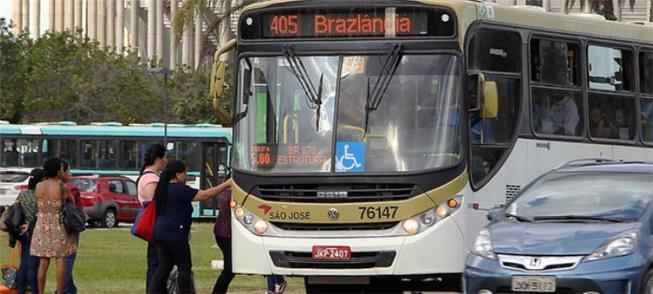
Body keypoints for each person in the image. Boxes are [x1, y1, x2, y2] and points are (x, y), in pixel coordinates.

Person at [148, 160, 231, 294]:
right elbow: (205, 195)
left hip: (159, 232)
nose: (186, 177)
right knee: (184, 267)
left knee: (164, 266)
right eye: (185, 173)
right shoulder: (180, 189)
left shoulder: (162, 189)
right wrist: (226, 184)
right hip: (175, 235)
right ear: (177, 174)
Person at [30, 157, 77, 294]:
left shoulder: (39, 186)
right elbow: (72, 203)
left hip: (42, 225)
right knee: (60, 259)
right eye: (62, 169)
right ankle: (60, 291)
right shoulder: (62, 188)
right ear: (58, 171)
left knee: (43, 262)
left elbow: (36, 205)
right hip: (58, 225)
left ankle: (40, 291)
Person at [136, 143, 167, 293]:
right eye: (165, 157)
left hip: (156, 225)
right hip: (156, 225)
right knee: (157, 263)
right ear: (158, 159)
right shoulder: (151, 178)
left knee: (156, 262)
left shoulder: (148, 176)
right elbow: (154, 202)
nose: (166, 161)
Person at [15, 168, 44, 294]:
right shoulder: (39, 196)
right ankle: (34, 290)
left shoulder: (22, 194)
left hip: (21, 232)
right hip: (34, 232)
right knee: (33, 265)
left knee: (23, 263)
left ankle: (21, 290)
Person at [60, 161, 82, 294]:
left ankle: (70, 288)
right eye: (69, 170)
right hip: (70, 226)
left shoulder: (45, 187)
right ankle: (62, 289)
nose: (71, 173)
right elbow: (76, 208)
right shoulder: (71, 189)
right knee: (68, 258)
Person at [212, 186, 233, 294]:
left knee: (230, 269)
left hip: (222, 234)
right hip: (226, 235)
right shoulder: (233, 195)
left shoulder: (226, 192)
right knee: (229, 269)